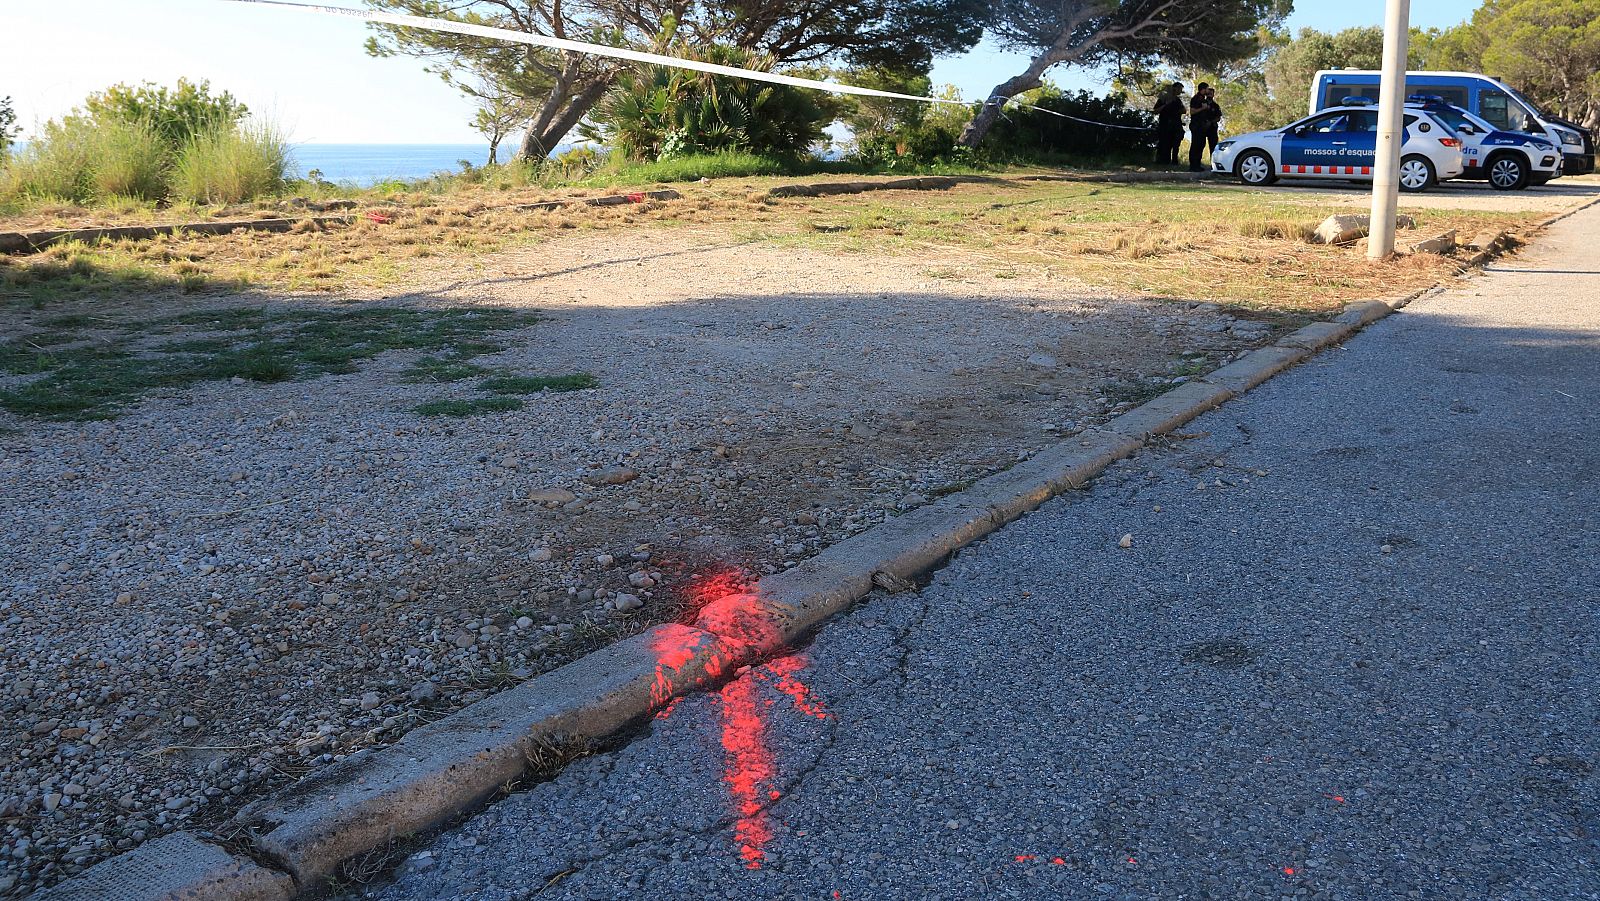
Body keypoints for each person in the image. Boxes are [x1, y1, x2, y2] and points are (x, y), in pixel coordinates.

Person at [1189, 83, 1223, 172]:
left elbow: (1218, 116)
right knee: (1196, 145)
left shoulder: (1209, 102)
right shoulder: (1196, 99)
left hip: (1203, 127)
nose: (1208, 92)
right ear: (1203, 89)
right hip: (1197, 126)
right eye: (1207, 89)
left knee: (1201, 145)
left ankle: (1198, 165)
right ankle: (1193, 165)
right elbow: (1192, 112)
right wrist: (1203, 109)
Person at [1153, 82, 1185, 166]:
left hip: (1176, 125)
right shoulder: (1163, 98)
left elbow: (1184, 110)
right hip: (1165, 125)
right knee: (1164, 144)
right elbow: (1155, 111)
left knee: (1175, 144)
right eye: (1179, 89)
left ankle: (1174, 161)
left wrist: (1177, 111)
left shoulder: (1177, 100)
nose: (1180, 91)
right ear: (1174, 88)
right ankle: (1162, 161)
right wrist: (1165, 105)